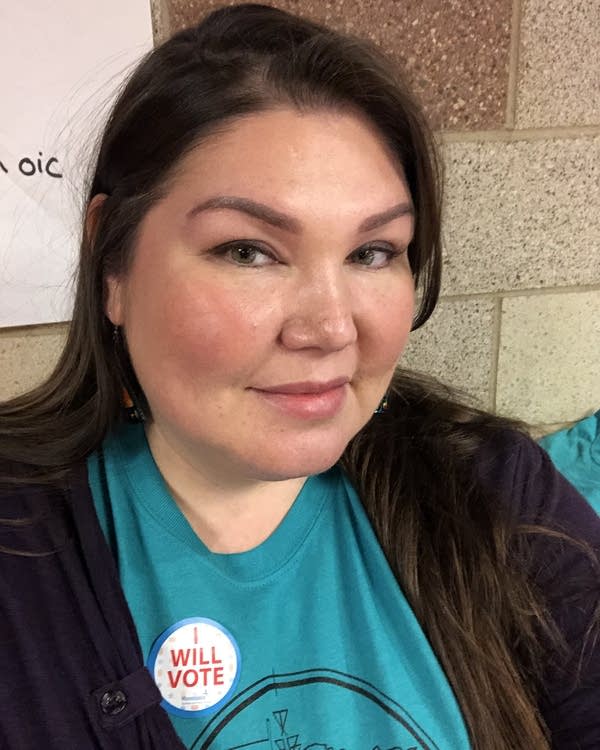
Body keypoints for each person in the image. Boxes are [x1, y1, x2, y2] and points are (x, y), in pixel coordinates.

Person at [0, 4, 599, 749]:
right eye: (249, 251)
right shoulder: (19, 548)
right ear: (111, 262)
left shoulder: (491, 489)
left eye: (374, 252)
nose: (331, 328)